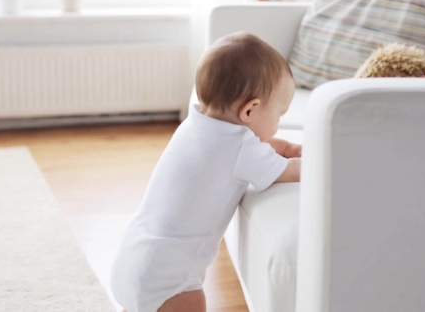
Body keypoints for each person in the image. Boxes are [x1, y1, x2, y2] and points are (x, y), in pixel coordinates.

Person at [110, 32, 301, 312]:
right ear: (250, 110)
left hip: (135, 259)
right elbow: (287, 171)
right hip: (172, 280)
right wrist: (317, 157)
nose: (279, 122)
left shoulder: (195, 124)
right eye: (279, 115)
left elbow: (242, 149)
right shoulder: (240, 147)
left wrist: (283, 145)